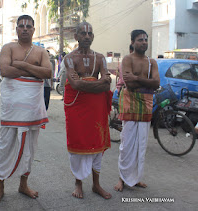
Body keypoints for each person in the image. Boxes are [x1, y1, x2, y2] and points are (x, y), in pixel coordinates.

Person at [0, 15, 52, 204]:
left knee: (29, 149)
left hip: (32, 108)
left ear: (33, 30)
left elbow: (48, 73)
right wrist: (34, 69)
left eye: (28, 26)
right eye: (21, 26)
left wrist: (22, 65)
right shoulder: (8, 48)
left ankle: (23, 184)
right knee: (5, 146)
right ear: (16, 29)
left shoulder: (41, 51)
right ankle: (0, 186)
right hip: (12, 108)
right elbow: (5, 71)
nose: (25, 29)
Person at [64, 21, 112, 199]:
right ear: (76, 36)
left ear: (93, 36)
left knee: (98, 144)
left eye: (89, 33)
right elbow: (74, 85)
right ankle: (78, 183)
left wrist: (87, 84)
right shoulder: (70, 58)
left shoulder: (100, 58)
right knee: (78, 144)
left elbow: (107, 85)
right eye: (82, 33)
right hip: (77, 107)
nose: (86, 36)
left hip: (96, 107)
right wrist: (98, 83)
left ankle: (96, 185)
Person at [114, 29, 160, 192]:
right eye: (140, 40)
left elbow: (156, 83)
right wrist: (144, 82)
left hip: (146, 105)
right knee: (127, 144)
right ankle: (122, 178)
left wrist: (137, 79)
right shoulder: (127, 59)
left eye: (146, 40)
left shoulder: (151, 62)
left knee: (141, 144)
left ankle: (136, 178)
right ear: (133, 42)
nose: (144, 42)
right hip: (130, 104)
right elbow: (129, 85)